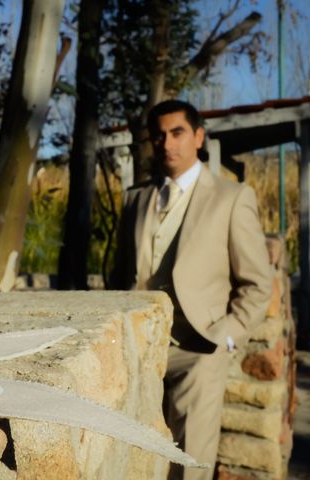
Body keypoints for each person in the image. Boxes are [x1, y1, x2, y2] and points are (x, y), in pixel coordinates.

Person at [108, 100, 273, 480]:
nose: (167, 143)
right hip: (138, 343)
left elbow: (257, 283)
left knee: (191, 460)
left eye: (177, 132)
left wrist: (227, 339)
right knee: (129, 454)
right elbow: (121, 275)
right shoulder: (135, 199)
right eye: (159, 135)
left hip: (200, 347)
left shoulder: (232, 198)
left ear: (198, 136)